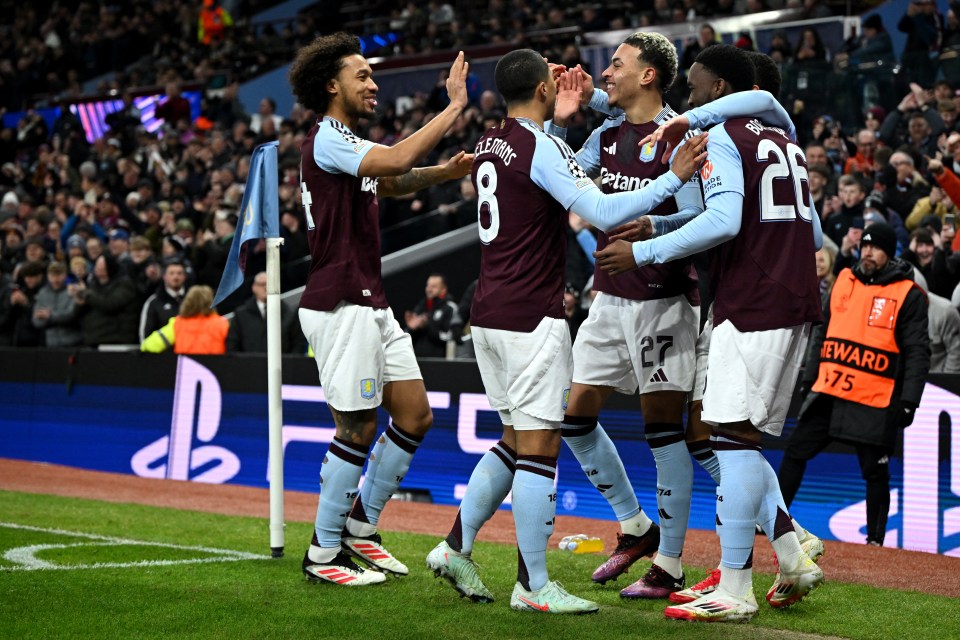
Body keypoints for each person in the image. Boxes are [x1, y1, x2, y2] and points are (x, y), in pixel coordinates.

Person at [424, 48, 706, 614]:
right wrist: (670, 179)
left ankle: (455, 546)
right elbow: (600, 212)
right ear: (545, 90)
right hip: (532, 314)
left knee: (512, 438)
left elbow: (541, 172)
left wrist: (558, 119)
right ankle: (532, 586)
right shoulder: (548, 146)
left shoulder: (490, 142)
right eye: (555, 79)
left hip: (488, 313)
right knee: (539, 446)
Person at [594, 44, 825, 623]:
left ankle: (737, 587)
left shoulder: (720, 134)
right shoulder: (781, 137)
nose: (687, 98)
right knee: (734, 436)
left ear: (719, 89)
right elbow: (813, 233)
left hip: (754, 301)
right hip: (791, 298)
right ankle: (792, 557)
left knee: (731, 440)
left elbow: (723, 221)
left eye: (694, 88)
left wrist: (643, 248)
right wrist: (667, 220)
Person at [290, 33, 477, 587]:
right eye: (362, 76)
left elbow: (391, 180)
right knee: (356, 428)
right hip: (339, 302)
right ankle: (323, 555)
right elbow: (394, 158)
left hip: (370, 301)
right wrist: (455, 108)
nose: (374, 85)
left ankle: (361, 528)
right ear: (332, 85)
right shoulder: (327, 137)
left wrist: (440, 176)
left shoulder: (345, 142)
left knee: (415, 415)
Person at [546, 32, 707, 599]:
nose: (604, 74)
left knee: (665, 434)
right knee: (575, 419)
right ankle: (635, 525)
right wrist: (563, 120)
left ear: (648, 76)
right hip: (608, 301)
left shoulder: (681, 137)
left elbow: (698, 223)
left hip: (662, 302)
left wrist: (646, 241)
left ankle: (670, 564)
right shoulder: (605, 135)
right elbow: (554, 176)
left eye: (616, 65)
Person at [778, 223, 930, 545]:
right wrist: (810, 378)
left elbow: (918, 351)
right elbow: (822, 330)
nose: (868, 252)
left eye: (876, 248)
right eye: (865, 246)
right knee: (794, 452)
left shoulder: (908, 293)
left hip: (874, 397)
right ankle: (773, 522)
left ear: (889, 253)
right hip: (829, 391)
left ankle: (874, 542)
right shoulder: (844, 279)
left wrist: (909, 400)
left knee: (875, 472)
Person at [226, 271, 305, 353]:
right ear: (254, 287)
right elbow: (233, 344)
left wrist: (289, 364)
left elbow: (298, 342)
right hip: (249, 364)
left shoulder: (290, 313)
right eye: (261, 284)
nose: (266, 287)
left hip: (284, 364)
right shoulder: (241, 315)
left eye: (269, 284)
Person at [141, 284, 229, 355]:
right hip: (215, 373)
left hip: (186, 373)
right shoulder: (222, 324)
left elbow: (148, 346)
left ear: (188, 301)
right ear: (211, 302)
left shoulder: (177, 324)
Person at [403, 273, 460, 357]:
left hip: (440, 363)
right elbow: (408, 336)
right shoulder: (421, 306)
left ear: (443, 289)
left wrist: (427, 326)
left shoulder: (450, 308)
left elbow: (451, 337)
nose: (429, 289)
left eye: (433, 286)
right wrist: (412, 328)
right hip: (418, 360)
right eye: (428, 286)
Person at [32, 261, 81, 347]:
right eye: (52, 275)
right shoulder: (43, 293)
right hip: (51, 344)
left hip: (73, 343)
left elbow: (72, 314)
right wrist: (47, 317)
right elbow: (36, 321)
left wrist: (49, 316)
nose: (55, 279)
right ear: (48, 276)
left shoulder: (73, 290)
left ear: (65, 275)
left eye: (59, 275)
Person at [139, 260, 187, 342]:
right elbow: (145, 335)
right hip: (163, 353)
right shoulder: (154, 302)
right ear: (164, 276)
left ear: (185, 277)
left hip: (189, 352)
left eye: (179, 273)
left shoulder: (193, 300)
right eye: (171, 273)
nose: (176, 277)